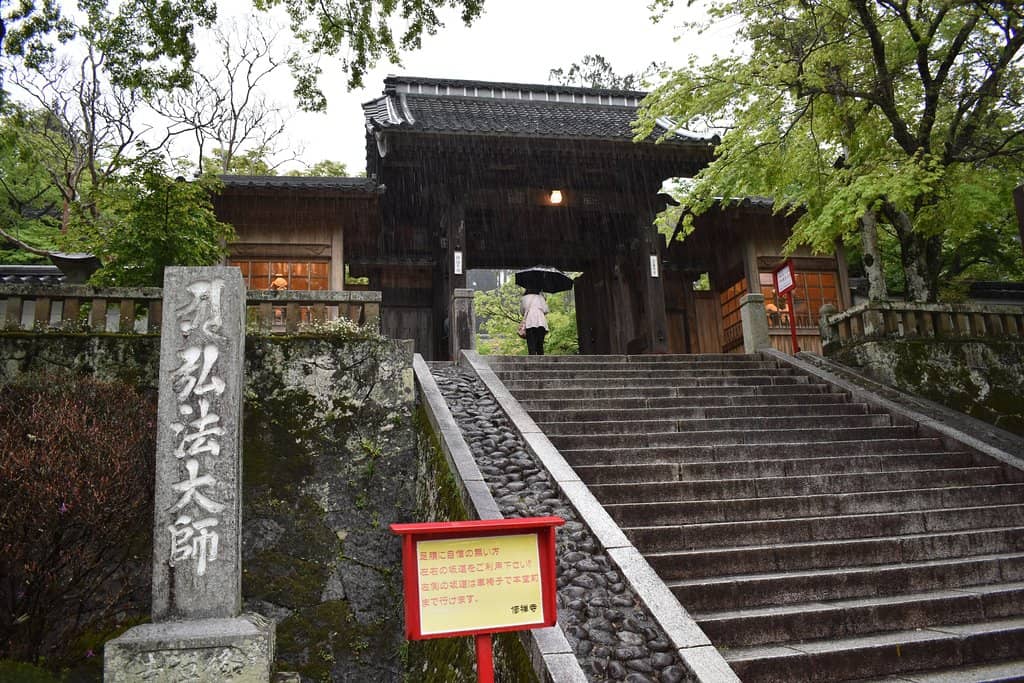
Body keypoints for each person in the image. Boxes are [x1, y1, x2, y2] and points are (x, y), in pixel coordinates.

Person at [520, 288, 549, 355]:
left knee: (531, 344)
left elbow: (522, 311)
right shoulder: (541, 297)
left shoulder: (524, 298)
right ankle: (541, 361)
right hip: (541, 322)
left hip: (529, 322)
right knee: (540, 344)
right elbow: (546, 310)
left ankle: (532, 360)